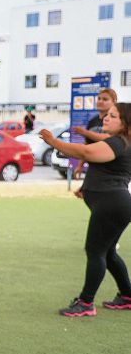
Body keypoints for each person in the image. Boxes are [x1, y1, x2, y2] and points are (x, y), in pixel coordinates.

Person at [40, 103, 131, 317]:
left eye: (113, 116)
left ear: (125, 122)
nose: (106, 118)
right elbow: (105, 169)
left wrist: (54, 141)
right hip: (114, 204)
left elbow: (86, 151)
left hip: (112, 204)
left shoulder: (119, 142)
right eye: (107, 115)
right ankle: (127, 295)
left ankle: (86, 302)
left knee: (96, 252)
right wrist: (87, 188)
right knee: (107, 253)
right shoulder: (120, 142)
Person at [73, 88, 118, 180]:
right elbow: (87, 145)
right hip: (93, 167)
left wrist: (85, 132)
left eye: (105, 99)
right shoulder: (93, 121)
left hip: (110, 168)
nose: (101, 101)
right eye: (99, 99)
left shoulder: (116, 121)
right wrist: (80, 165)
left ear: (114, 102)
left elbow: (109, 138)